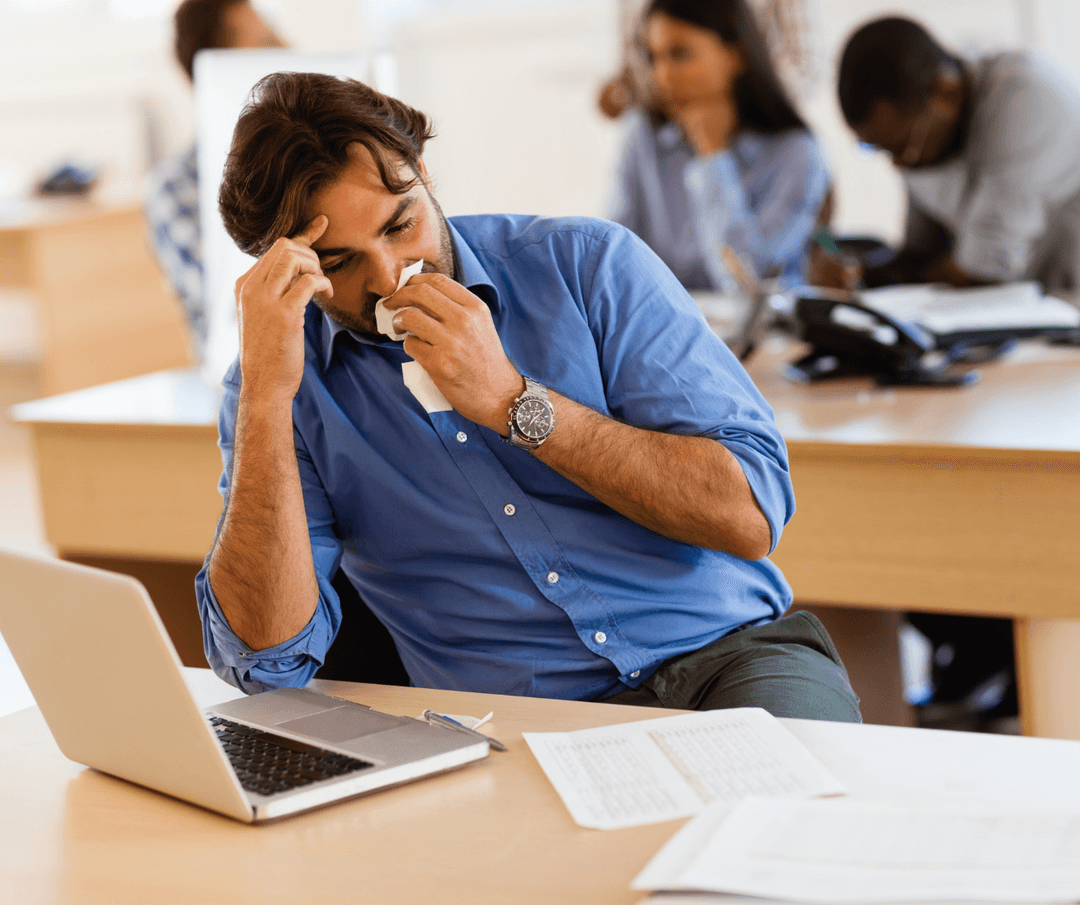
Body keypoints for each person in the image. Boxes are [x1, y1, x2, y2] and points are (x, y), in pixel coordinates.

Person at [193, 71, 860, 722]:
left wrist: (514, 402)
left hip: (728, 661)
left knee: (772, 819)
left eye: (400, 225)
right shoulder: (279, 382)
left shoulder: (588, 265)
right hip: (517, 722)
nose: (389, 277)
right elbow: (268, 662)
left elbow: (749, 514)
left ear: (425, 174)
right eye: (338, 262)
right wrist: (265, 396)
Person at [826, 15, 1080, 293]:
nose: (898, 163)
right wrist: (856, 271)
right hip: (1031, 298)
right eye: (879, 149)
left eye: (903, 146)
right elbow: (921, 250)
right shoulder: (926, 138)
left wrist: (884, 277)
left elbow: (981, 269)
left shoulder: (1025, 97)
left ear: (945, 91)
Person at [605, 0, 830, 293]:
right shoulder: (644, 136)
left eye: (679, 54)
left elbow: (744, 280)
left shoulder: (798, 153)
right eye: (653, 58)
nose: (662, 77)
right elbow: (615, 262)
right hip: (662, 332)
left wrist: (712, 155)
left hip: (764, 335)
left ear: (735, 55)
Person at [144, 0, 285, 361]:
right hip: (246, 377)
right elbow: (235, 308)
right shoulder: (177, 190)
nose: (287, 52)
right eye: (266, 45)